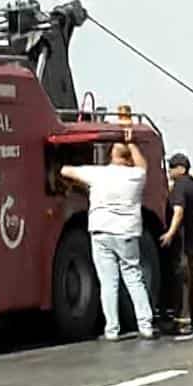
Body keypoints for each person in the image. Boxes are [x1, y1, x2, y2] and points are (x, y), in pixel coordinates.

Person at [59, 126, 155, 341]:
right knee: (133, 278)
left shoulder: (97, 173)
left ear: (110, 153)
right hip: (127, 232)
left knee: (108, 283)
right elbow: (143, 165)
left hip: (101, 231)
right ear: (129, 158)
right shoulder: (135, 176)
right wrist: (131, 142)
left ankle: (112, 330)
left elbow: (65, 170)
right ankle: (146, 325)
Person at [160, 152, 193, 334]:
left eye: (172, 167)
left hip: (182, 240)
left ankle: (182, 322)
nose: (169, 171)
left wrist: (170, 233)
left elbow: (178, 211)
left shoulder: (179, 187)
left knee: (182, 280)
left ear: (181, 169)